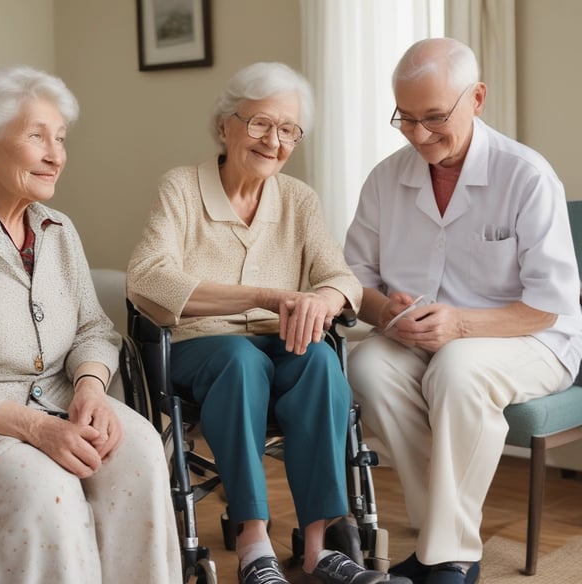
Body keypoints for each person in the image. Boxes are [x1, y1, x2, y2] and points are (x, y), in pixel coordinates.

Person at [0, 65, 182, 584]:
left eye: (61, 138)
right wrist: (35, 428)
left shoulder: (59, 230)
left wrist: (92, 389)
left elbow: (93, 328)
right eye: (36, 136)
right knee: (50, 493)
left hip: (64, 402)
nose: (56, 155)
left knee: (140, 454)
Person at [127, 62, 407, 584]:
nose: (272, 140)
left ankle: (322, 548)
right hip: (202, 348)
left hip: (282, 345)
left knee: (321, 360)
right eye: (259, 123)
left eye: (287, 130)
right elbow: (147, 278)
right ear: (224, 125)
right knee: (239, 360)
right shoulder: (182, 189)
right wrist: (263, 296)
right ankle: (254, 544)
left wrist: (322, 298)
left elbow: (340, 278)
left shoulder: (299, 200)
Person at [343, 37, 582, 584]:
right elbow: (353, 279)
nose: (419, 135)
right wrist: (385, 311)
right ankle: (444, 544)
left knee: (459, 369)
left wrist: (460, 325)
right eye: (405, 119)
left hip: (530, 338)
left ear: (476, 98)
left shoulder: (526, 175)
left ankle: (446, 556)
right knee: (367, 367)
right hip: (420, 338)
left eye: (434, 117)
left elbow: (549, 305)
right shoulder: (386, 179)